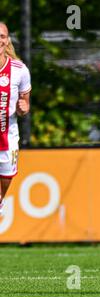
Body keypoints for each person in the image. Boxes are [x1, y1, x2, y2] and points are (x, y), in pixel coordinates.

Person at [0, 22, 31, 216]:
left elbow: (25, 104)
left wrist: (24, 108)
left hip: (7, 140)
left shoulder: (19, 70)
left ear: (7, 40)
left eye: (2, 36)